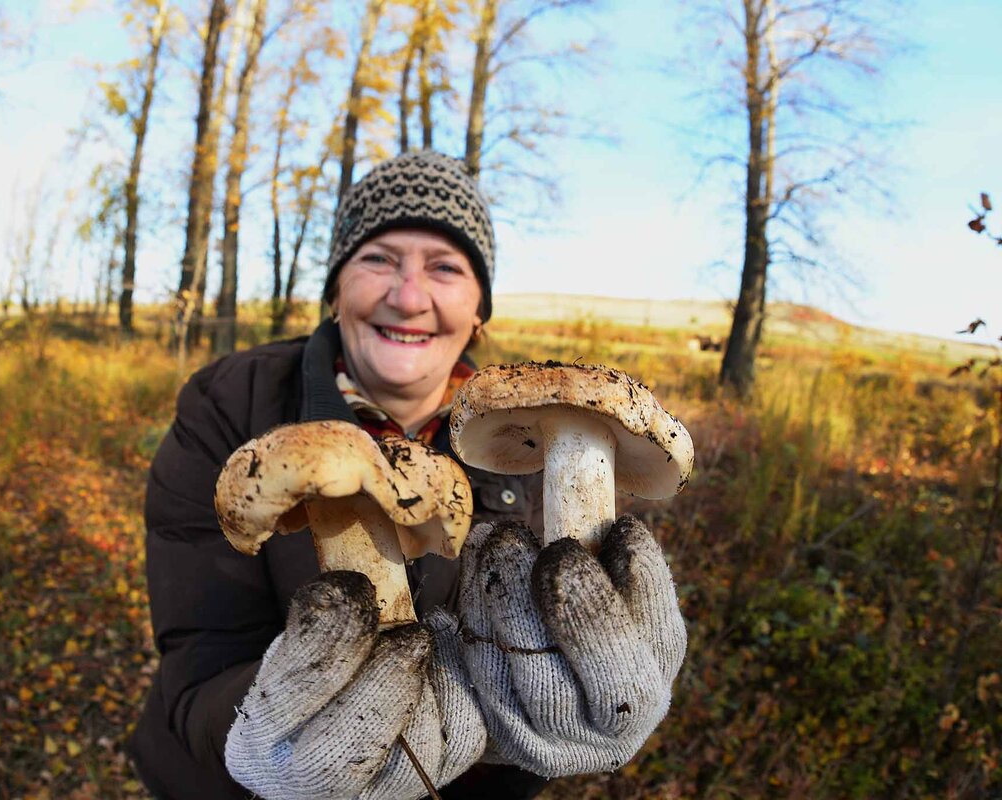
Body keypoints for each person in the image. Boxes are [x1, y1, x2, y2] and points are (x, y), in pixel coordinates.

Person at [127, 151, 687, 800]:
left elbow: (537, 661)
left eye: (445, 267)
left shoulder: (531, 446)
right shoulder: (231, 407)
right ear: (336, 289)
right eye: (378, 259)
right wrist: (258, 733)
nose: (408, 295)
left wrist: (529, 738)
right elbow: (200, 657)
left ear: (480, 309)